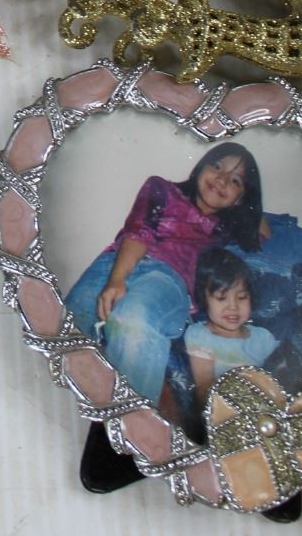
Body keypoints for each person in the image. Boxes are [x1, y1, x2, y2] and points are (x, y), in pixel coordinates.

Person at [64, 144, 264, 406]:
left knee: (134, 316)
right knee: (70, 323)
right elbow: (139, 231)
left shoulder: (224, 230)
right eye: (217, 166)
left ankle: (132, 422)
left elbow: (263, 228)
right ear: (201, 166)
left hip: (168, 279)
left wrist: (249, 208)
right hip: (114, 263)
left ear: (240, 198)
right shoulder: (161, 188)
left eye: (235, 180)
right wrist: (117, 279)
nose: (222, 179)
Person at [184, 248, 278, 409]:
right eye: (222, 298)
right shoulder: (199, 336)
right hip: (222, 412)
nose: (233, 306)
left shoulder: (263, 338)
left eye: (242, 297)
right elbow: (204, 389)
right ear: (204, 299)